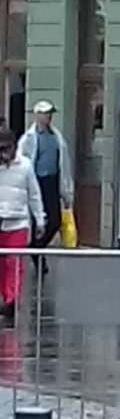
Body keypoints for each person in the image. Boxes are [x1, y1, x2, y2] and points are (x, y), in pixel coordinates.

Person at [18, 100, 73, 263]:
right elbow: (22, 161)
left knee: (55, 221)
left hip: (52, 182)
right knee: (38, 220)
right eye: (45, 113)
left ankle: (36, 247)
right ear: (38, 115)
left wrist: (66, 192)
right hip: (37, 182)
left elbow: (64, 164)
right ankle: (38, 258)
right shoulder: (28, 138)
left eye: (50, 113)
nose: (49, 116)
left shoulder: (56, 137)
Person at [0, 129, 45, 322]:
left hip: (18, 221)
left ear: (14, 147)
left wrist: (40, 219)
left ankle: (11, 300)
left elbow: (34, 194)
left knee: (15, 263)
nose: (3, 154)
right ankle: (5, 296)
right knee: (2, 264)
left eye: (6, 149)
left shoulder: (25, 166)